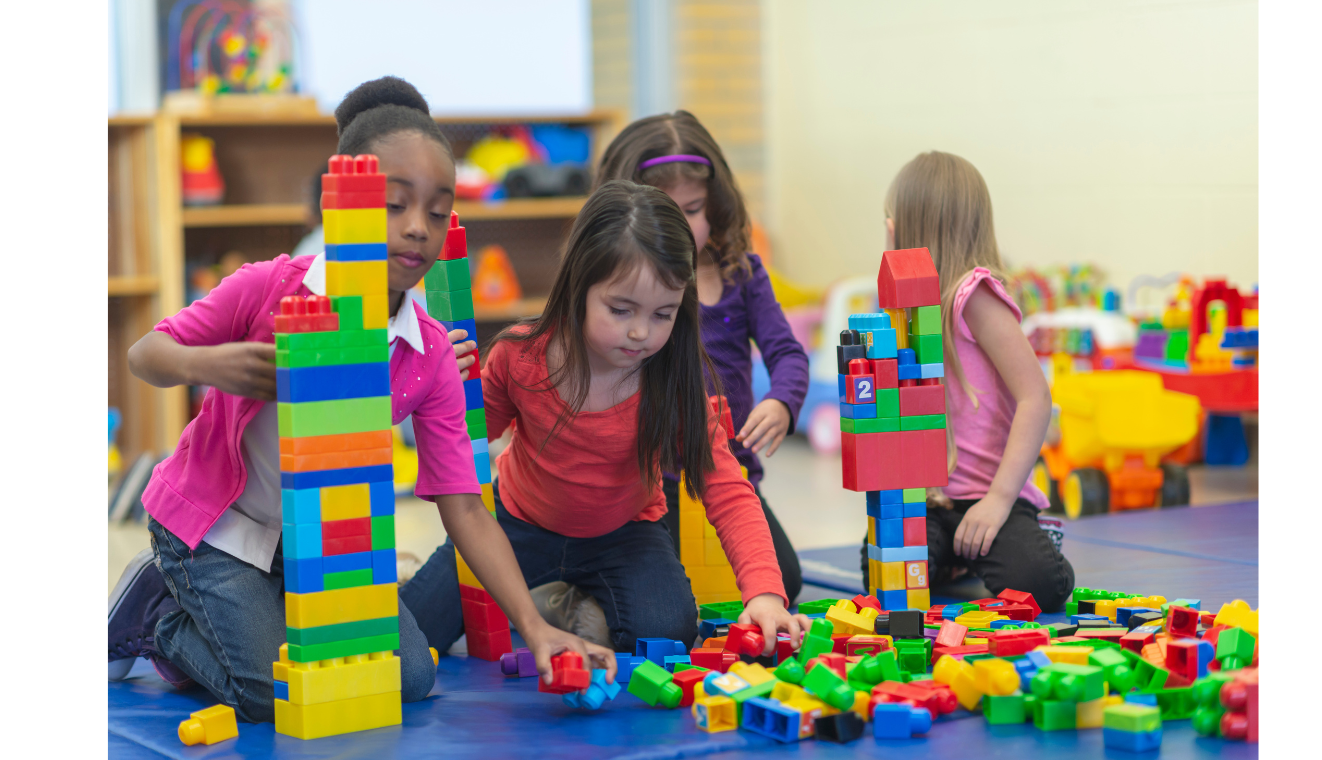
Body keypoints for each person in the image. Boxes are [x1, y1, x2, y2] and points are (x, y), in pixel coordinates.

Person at [108, 76, 613, 723]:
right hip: (213, 528)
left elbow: (466, 507)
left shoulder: (427, 351)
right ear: (343, 207)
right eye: (394, 205)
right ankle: (158, 620)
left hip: (321, 543)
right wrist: (212, 365)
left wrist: (533, 626)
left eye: (437, 211)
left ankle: (257, 613)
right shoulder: (270, 288)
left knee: (407, 677)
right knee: (275, 691)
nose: (417, 230)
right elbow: (143, 355)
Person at [402, 180, 810, 656]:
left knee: (668, 633)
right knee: (415, 630)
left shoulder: (673, 381)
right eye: (620, 309)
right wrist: (444, 391)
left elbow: (725, 486)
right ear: (579, 286)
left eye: (664, 314)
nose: (640, 332)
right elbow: (466, 444)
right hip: (518, 525)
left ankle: (568, 601)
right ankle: (519, 591)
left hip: (625, 534)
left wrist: (764, 593)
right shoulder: (520, 356)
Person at [863, 151, 1075, 612]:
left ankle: (1014, 535)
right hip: (930, 499)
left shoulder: (973, 296)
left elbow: (1035, 396)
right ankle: (958, 554)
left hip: (988, 493)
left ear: (900, 229)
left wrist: (998, 501)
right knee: (881, 576)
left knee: (1041, 584)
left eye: (889, 222)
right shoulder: (901, 311)